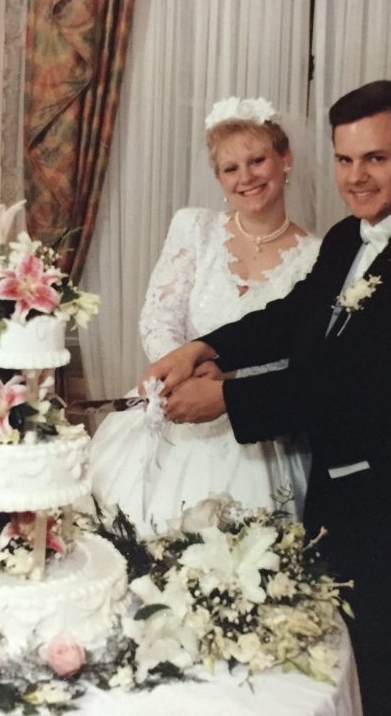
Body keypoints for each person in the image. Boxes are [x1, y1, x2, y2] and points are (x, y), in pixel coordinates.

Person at [144, 81, 391, 716]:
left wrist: (230, 400)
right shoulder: (346, 238)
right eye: (344, 159)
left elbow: (366, 383)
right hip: (335, 491)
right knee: (331, 664)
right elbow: (294, 316)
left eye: (376, 158)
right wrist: (206, 347)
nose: (355, 178)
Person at [89, 97, 320, 535]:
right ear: (218, 178)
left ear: (284, 160)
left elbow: (297, 348)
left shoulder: (317, 255)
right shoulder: (193, 228)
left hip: (255, 430)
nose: (246, 177)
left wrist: (228, 385)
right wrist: (188, 373)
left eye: (257, 160)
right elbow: (158, 317)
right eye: (231, 168)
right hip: (175, 405)